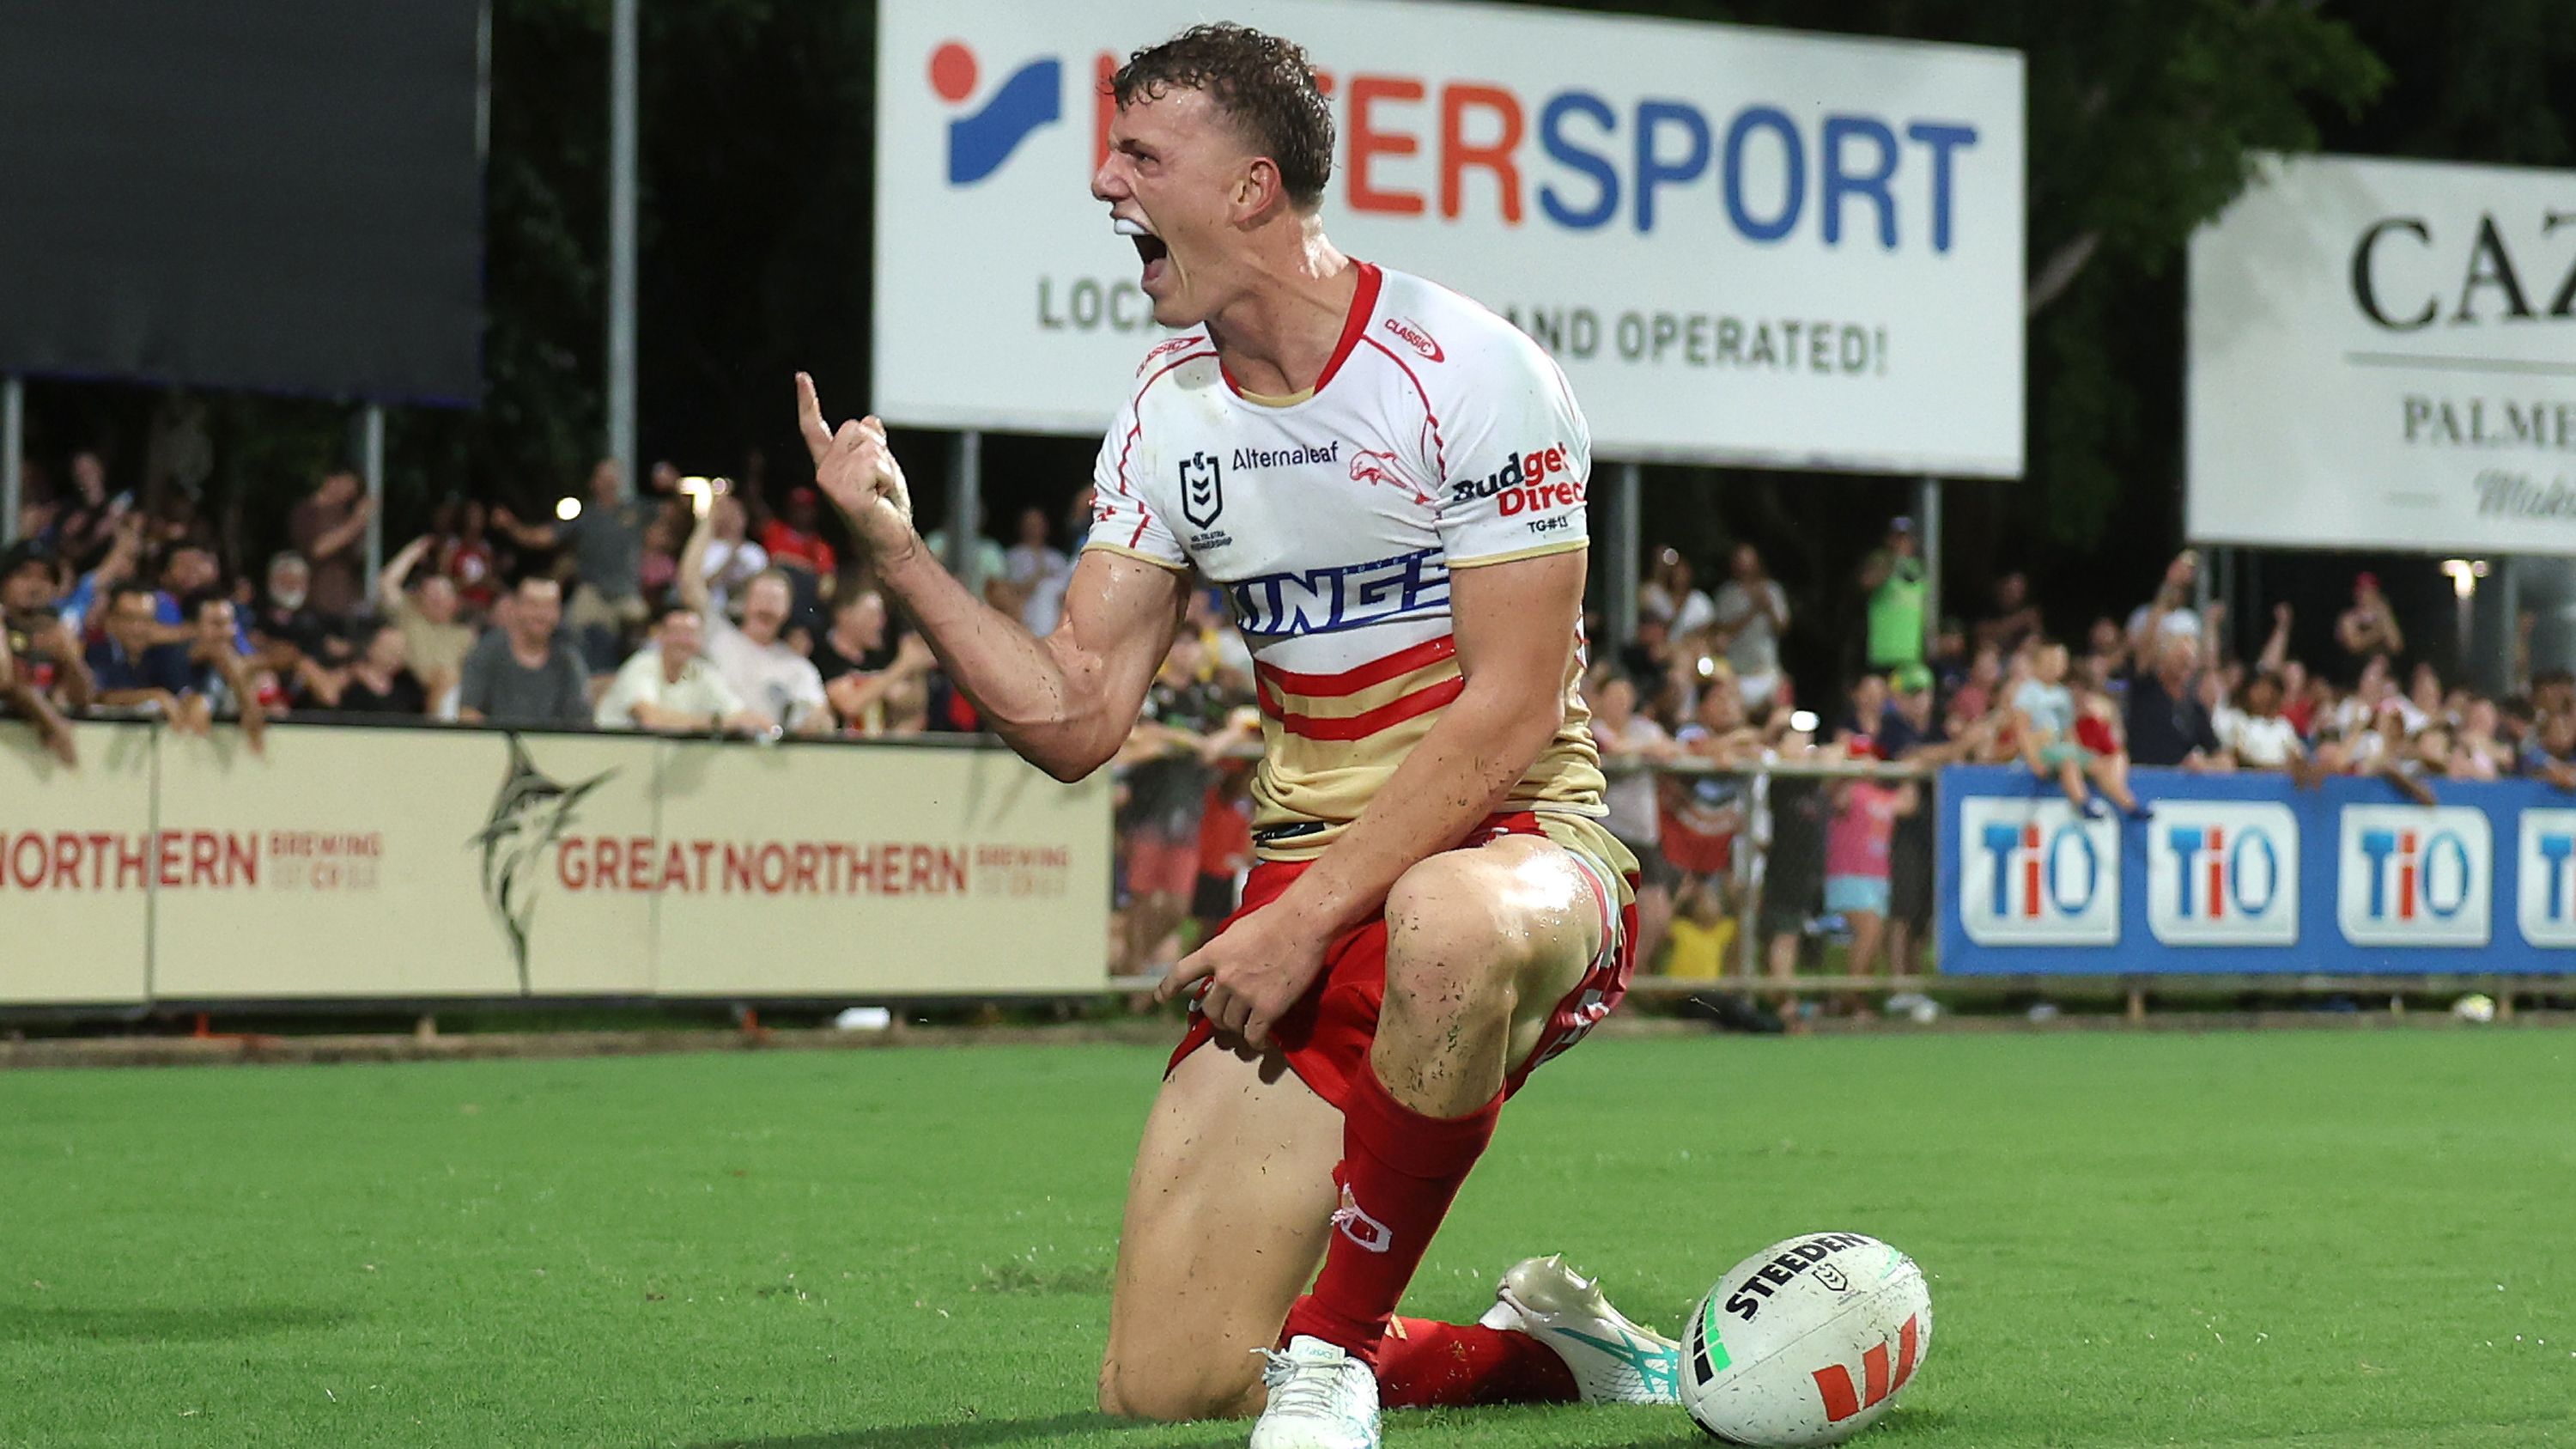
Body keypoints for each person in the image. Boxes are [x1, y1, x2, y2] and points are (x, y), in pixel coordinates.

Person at [794, 26, 1670, 1446]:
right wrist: (895, 551)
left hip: (1518, 853)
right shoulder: (1167, 410)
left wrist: (1303, 917)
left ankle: (1333, 1357)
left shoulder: (1469, 369)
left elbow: (1508, 709)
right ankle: (1559, 1357)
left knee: (1444, 919)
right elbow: (1077, 717)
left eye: (1141, 155)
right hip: (1312, 888)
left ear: (1254, 187)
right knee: (1173, 1384)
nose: (1104, 181)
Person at [678, 507, 834, 734]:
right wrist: (710, 519)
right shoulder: (718, 636)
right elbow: (690, 585)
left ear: (787, 611)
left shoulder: (798, 667)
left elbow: (821, 717)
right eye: (761, 598)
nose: (767, 607)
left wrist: (819, 720)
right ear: (745, 603)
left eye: (775, 600)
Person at [494, 460, 653, 669]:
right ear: (594, 483)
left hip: (626, 592)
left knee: (644, 634)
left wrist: (674, 486)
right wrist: (511, 526)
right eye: (602, 478)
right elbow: (544, 537)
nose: (608, 483)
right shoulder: (585, 516)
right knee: (567, 630)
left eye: (612, 478)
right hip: (592, 591)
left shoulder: (636, 510)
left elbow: (674, 519)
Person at [594, 606, 770, 734]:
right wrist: (718, 723)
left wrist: (760, 723)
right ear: (660, 635)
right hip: (612, 752)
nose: (683, 641)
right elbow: (651, 719)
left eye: (691, 634)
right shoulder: (642, 665)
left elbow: (738, 713)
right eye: (676, 632)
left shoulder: (702, 672)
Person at [2016, 641, 2143, 818]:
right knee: (2069, 764)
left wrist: (2078, 749)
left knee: (2099, 765)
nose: (2055, 666)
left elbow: (2068, 729)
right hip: (2043, 749)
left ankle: (2129, 804)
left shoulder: (2062, 694)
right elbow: (2022, 729)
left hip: (2062, 747)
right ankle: (2083, 803)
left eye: (2059, 661)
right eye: (2050, 660)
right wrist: (2033, 760)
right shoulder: (2028, 692)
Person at [457, 575, 592, 728]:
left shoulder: (568, 660)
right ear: (515, 608)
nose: (541, 614)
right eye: (533, 605)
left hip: (553, 748)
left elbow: (581, 723)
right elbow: (469, 714)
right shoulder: (487, 652)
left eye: (550, 606)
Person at [378, 535, 477, 709]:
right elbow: (387, 583)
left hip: (452, 698)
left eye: (442, 596)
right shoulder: (409, 617)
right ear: (419, 598)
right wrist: (413, 552)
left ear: (455, 602)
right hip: (411, 693)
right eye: (431, 595)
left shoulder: (466, 635)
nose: (436, 600)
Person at [2125, 636, 2226, 770]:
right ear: (2163, 659)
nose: (2187, 662)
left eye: (2191, 658)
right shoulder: (2144, 690)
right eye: (2180, 657)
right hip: (2143, 778)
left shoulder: (2195, 709)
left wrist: (2206, 764)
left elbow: (2223, 757)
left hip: (2179, 784)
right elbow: (2143, 652)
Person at [1708, 543, 1789, 708]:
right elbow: (1722, 629)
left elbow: (1782, 628)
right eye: (1740, 559)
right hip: (1734, 670)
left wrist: (1769, 609)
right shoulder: (1726, 593)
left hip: (1765, 667)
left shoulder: (1772, 590)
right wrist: (1753, 610)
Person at [286, 468, 371, 618]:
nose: (347, 493)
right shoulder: (306, 511)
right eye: (345, 486)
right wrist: (356, 523)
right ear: (330, 480)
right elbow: (318, 549)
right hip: (316, 604)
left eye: (352, 490)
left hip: (347, 602)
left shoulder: (344, 513)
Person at [297, 621, 428, 715]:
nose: (396, 656)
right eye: (390, 649)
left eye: (401, 651)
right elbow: (329, 697)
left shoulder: (407, 682)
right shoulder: (350, 674)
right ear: (371, 649)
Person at [1857, 516, 1925, 672]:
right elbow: (1866, 582)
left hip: (1912, 655)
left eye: (1906, 537)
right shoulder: (1880, 561)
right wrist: (1893, 559)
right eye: (1898, 538)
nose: (1902, 542)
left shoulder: (1918, 568)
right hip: (1884, 654)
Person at [1003, 505, 1074, 636]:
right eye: (1030, 524)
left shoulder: (1058, 558)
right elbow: (1010, 592)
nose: (1034, 528)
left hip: (1057, 628)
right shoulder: (1013, 556)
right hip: (1026, 627)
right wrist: (1038, 577)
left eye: (1038, 524)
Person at [2336, 572, 2405, 663]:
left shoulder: (2384, 615)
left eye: (2372, 590)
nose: (2368, 594)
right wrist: (2379, 632)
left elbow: (2397, 646)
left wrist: (2385, 614)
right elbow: (2355, 645)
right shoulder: (2348, 617)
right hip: (2359, 670)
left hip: (2383, 669)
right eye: (2364, 590)